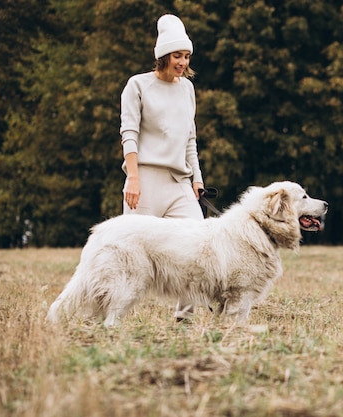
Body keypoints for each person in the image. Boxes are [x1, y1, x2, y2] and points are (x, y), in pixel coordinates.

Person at [119, 14, 204, 321]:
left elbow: (190, 138)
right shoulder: (137, 85)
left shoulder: (187, 89)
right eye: (178, 55)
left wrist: (197, 179)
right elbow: (128, 133)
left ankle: (184, 317)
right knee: (132, 258)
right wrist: (133, 178)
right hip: (144, 182)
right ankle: (113, 320)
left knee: (200, 250)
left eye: (187, 56)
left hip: (179, 182)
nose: (183, 62)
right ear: (163, 56)